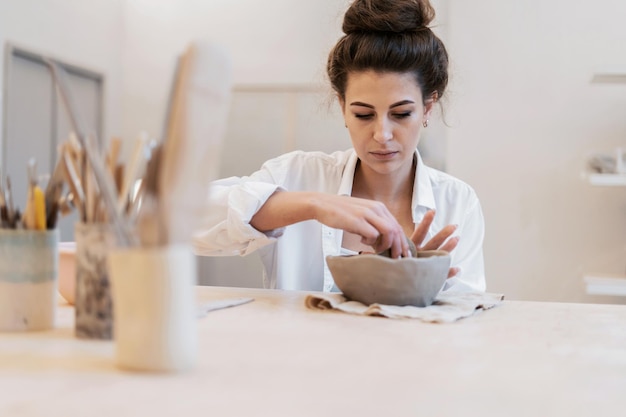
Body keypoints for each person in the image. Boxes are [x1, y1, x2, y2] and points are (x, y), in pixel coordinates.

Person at [193, 0, 486, 293]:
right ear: (342, 106)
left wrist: (417, 286)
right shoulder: (297, 176)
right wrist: (313, 205)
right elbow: (172, 218)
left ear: (428, 108)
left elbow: (466, 323)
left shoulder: (456, 202)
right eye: (363, 114)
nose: (382, 134)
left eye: (401, 114)